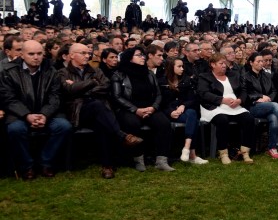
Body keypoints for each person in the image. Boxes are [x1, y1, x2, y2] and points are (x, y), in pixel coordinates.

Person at [59, 43, 144, 179]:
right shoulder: (63, 72)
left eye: (88, 53)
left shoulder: (96, 70)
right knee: (98, 106)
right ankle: (122, 136)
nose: (87, 56)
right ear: (71, 55)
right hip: (77, 111)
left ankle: (107, 166)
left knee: (102, 124)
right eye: (83, 53)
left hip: (97, 111)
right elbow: (69, 91)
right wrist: (92, 82)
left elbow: (106, 86)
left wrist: (80, 89)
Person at [0, 40, 72, 180]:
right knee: (15, 129)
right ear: (22, 54)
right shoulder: (8, 71)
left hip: (47, 113)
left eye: (39, 53)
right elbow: (8, 99)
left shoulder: (51, 70)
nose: (36, 57)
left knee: (63, 126)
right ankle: (27, 167)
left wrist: (44, 115)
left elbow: (55, 97)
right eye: (31, 54)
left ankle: (46, 162)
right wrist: (27, 115)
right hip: (19, 114)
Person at [111, 47, 174, 172]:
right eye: (139, 55)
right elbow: (117, 97)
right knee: (132, 124)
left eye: (142, 55)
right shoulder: (119, 74)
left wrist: (153, 107)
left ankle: (161, 160)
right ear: (129, 58)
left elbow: (158, 94)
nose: (143, 57)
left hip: (150, 108)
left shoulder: (148, 73)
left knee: (164, 124)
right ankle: (138, 159)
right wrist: (136, 110)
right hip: (129, 109)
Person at [197, 53, 257, 164]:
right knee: (222, 120)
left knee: (248, 119)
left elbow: (243, 91)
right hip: (215, 107)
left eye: (225, 63)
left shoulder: (234, 75)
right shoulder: (204, 77)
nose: (224, 65)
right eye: (221, 63)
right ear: (212, 64)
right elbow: (204, 93)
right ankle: (223, 153)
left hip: (234, 105)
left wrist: (239, 100)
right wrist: (222, 100)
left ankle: (245, 152)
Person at [159, 58, 207, 165]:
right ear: (171, 67)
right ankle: (192, 155)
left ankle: (186, 147)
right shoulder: (162, 81)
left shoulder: (186, 80)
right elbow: (161, 102)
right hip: (169, 113)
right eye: (179, 66)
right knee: (193, 118)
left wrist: (183, 105)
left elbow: (192, 99)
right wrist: (170, 111)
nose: (182, 69)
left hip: (184, 111)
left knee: (192, 114)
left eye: (183, 66)